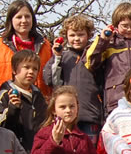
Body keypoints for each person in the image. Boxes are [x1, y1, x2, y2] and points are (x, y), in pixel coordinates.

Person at [43, 14, 104, 144]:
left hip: (90, 116)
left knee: (90, 152)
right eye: (72, 35)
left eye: (81, 35)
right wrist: (57, 57)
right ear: (66, 36)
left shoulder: (94, 56)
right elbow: (49, 80)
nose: (76, 39)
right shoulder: (63, 57)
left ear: (89, 35)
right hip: (66, 117)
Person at [0, 0, 53, 97]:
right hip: (9, 101)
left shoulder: (46, 46)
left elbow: (52, 79)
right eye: (19, 17)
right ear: (11, 20)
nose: (24, 20)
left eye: (27, 16)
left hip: (41, 102)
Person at [0, 49, 48, 154]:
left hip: (37, 152)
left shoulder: (38, 96)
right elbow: (0, 127)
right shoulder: (5, 95)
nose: (31, 72)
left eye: (35, 69)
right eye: (26, 67)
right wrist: (13, 109)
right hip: (14, 153)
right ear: (14, 70)